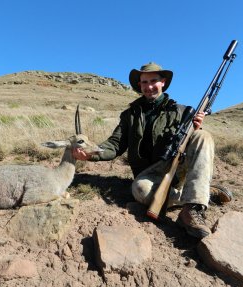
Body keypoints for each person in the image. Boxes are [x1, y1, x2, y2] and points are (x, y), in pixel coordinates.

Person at [73, 62, 231, 239]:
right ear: (139, 85)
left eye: (153, 81)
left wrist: (196, 129)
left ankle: (191, 210)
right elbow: (115, 144)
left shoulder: (183, 112)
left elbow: (193, 146)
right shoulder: (130, 115)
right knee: (139, 190)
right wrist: (90, 153)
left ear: (163, 82)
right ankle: (204, 193)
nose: (148, 86)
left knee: (203, 136)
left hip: (178, 169)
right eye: (144, 82)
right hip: (149, 175)